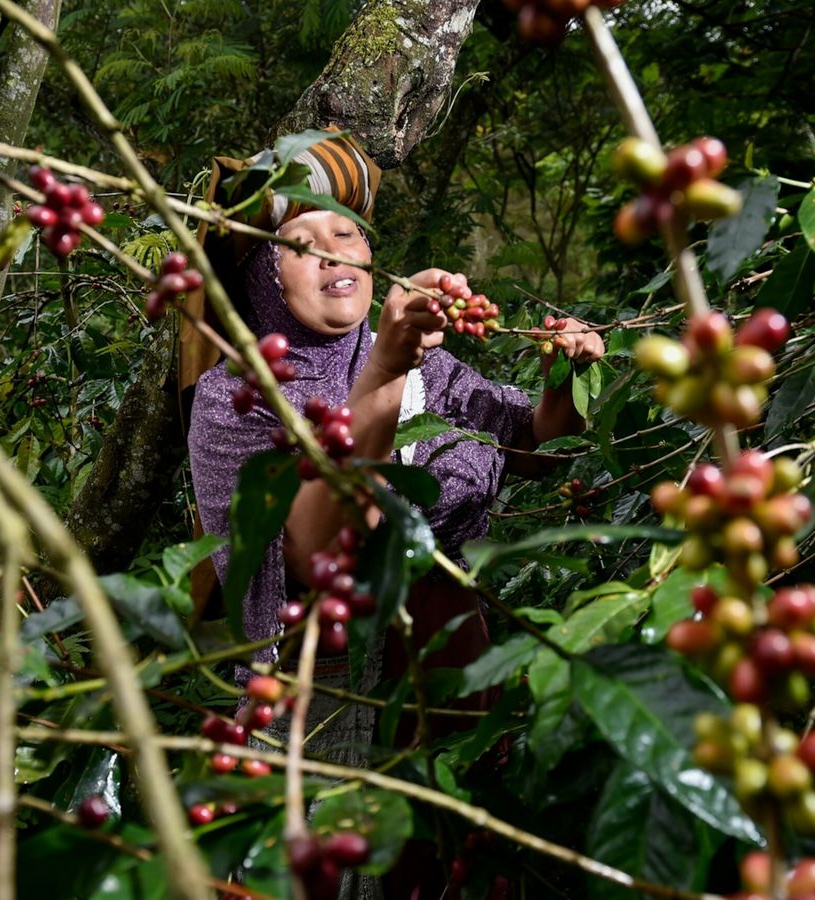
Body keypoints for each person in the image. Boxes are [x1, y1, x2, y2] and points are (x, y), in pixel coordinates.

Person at [181, 130, 602, 899]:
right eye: (299, 243)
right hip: (333, 717)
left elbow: (534, 442)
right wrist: (382, 373)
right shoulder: (233, 397)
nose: (334, 253)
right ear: (259, 280)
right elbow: (313, 555)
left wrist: (561, 378)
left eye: (346, 231)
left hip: (449, 707)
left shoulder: (422, 359)